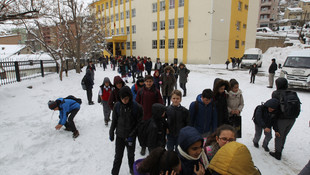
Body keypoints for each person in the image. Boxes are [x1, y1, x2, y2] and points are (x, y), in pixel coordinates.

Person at [109, 86, 143, 175]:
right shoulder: (117, 106)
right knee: (118, 156)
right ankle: (114, 172)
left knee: (131, 155)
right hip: (120, 136)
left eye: (126, 98)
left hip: (130, 137)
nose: (124, 100)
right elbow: (114, 120)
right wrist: (111, 132)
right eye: (122, 98)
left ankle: (132, 170)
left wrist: (132, 135)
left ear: (130, 97)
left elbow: (139, 123)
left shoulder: (136, 107)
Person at [269, 77, 301, 160]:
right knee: (284, 135)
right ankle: (280, 149)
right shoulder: (293, 93)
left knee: (279, 135)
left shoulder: (276, 93)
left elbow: (274, 106)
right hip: (292, 118)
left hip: (281, 118)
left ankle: (277, 153)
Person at [136, 75, 163, 155]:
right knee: (142, 133)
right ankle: (143, 146)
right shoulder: (140, 91)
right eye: (147, 81)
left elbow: (160, 102)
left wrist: (161, 111)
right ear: (144, 82)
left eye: (150, 81)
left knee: (152, 133)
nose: (148, 83)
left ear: (153, 82)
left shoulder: (156, 91)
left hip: (153, 117)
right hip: (143, 116)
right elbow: (137, 102)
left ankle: (151, 147)